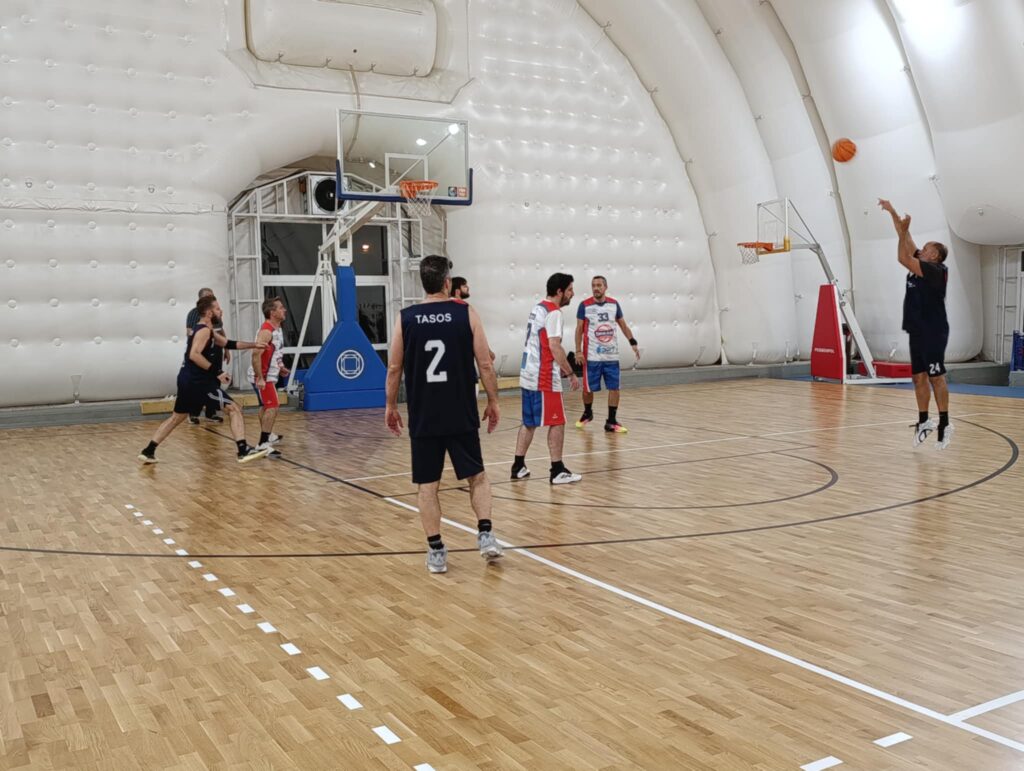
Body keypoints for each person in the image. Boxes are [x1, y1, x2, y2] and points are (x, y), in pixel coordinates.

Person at [385, 255, 503, 574]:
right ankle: (486, 534)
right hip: (460, 410)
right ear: (448, 283)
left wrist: (391, 406)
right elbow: (485, 363)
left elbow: (394, 367)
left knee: (428, 485)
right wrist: (493, 401)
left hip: (425, 415)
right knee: (477, 476)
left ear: (423, 282)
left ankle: (436, 550)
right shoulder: (466, 312)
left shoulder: (406, 318)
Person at [139, 295, 271, 464]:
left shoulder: (209, 331)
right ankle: (243, 450)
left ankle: (148, 450)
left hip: (187, 380)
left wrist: (254, 344)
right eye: (217, 309)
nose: (221, 311)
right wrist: (217, 372)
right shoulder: (204, 331)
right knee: (234, 409)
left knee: (177, 417)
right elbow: (194, 355)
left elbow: (228, 343)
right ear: (209, 313)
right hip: (198, 382)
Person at [879, 198, 953, 449]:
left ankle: (945, 423)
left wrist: (903, 231)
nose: (921, 249)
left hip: (933, 331)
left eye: (926, 248)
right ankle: (924, 421)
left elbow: (902, 256)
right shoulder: (921, 264)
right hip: (917, 330)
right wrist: (893, 212)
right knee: (918, 377)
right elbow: (906, 240)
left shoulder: (935, 270)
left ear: (934, 255)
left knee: (936, 376)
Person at [511, 273, 582, 484]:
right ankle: (557, 470)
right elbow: (554, 346)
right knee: (558, 421)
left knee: (529, 422)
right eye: (570, 290)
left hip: (528, 374)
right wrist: (570, 373)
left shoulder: (538, 308)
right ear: (560, 291)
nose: (572, 294)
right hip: (543, 377)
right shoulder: (554, 313)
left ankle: (518, 465)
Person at [574, 276, 640, 433]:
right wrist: (578, 351)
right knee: (588, 389)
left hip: (611, 356)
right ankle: (587, 412)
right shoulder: (584, 305)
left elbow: (623, 325)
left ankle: (611, 421)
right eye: (593, 285)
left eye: (599, 285)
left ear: (605, 287)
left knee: (614, 388)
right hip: (592, 357)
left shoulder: (614, 304)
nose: (596, 288)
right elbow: (579, 329)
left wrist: (632, 342)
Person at [249, 296, 290, 455]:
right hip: (263, 376)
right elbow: (255, 355)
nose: (284, 310)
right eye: (280, 308)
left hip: (268, 374)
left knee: (266, 406)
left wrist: (281, 367)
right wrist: (260, 377)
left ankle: (268, 435)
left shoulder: (277, 329)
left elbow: (276, 352)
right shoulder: (266, 331)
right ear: (272, 312)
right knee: (273, 406)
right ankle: (263, 443)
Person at [185, 288, 225, 424]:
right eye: (208, 297)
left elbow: (221, 331)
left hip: (216, 350)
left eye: (213, 296)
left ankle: (211, 412)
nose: (212, 299)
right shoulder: (194, 313)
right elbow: (189, 332)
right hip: (203, 352)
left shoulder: (216, 315)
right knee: (199, 382)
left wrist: (226, 349)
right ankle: (193, 413)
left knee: (215, 380)